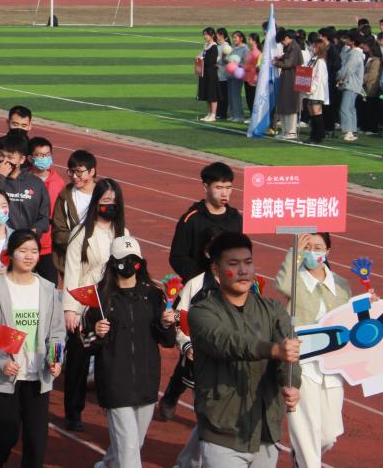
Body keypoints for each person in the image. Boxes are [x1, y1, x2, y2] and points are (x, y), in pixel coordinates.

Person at [190, 231, 301, 468]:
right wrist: (273, 350)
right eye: (233, 264)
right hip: (223, 432)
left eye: (248, 262)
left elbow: (289, 354)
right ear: (216, 271)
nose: (243, 271)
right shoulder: (202, 312)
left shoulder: (273, 309)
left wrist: (291, 382)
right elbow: (226, 343)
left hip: (266, 429)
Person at [0, 229, 65, 468]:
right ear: (10, 254)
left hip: (38, 377)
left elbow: (57, 332)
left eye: (34, 251)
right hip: (5, 376)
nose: (29, 256)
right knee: (5, 437)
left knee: (36, 443)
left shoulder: (48, 290)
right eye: (23, 251)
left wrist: (55, 359)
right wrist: (1, 362)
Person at [85, 236, 176, 468]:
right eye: (122, 259)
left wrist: (167, 325)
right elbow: (85, 342)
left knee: (134, 443)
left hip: (146, 382)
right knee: (128, 448)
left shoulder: (153, 295)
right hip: (115, 382)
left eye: (133, 259)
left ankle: (106, 465)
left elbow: (167, 341)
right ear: (112, 262)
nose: (128, 264)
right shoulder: (100, 297)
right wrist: (97, 332)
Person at [162, 162, 241, 420]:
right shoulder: (192, 219)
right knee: (195, 347)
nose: (224, 193)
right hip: (198, 293)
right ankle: (174, 393)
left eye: (228, 187)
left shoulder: (235, 218)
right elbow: (177, 256)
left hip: (228, 291)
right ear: (206, 187)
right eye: (219, 187)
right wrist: (199, 279)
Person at [275, 234, 356, 468]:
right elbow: (281, 284)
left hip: (331, 366)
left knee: (329, 434)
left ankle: (300, 457)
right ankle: (306, 461)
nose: (313, 252)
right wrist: (295, 253)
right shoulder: (295, 281)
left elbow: (349, 318)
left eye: (318, 247)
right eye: (308, 247)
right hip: (301, 364)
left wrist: (370, 304)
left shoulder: (341, 284)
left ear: (328, 251)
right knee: (305, 429)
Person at [61, 177, 131, 431]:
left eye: (113, 201)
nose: (109, 205)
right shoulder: (81, 234)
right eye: (104, 200)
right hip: (86, 304)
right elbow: (72, 272)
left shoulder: (123, 234)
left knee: (110, 360)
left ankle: (111, 406)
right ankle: (73, 411)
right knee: (79, 361)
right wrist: (70, 310)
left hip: (113, 305)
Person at [0, 133, 52, 281]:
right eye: (1, 156)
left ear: (22, 160)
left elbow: (44, 218)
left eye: (10, 157)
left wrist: (36, 230)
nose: (4, 161)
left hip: (22, 249)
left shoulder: (36, 184)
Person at [51, 150, 97, 277]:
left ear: (92, 171)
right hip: (71, 262)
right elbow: (58, 230)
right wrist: (79, 246)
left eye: (79, 172)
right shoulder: (65, 197)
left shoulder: (104, 195)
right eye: (71, 171)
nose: (74, 176)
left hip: (98, 263)